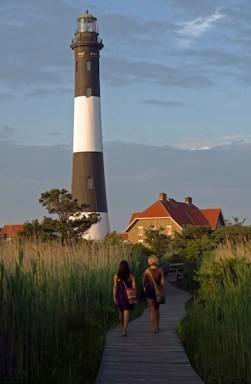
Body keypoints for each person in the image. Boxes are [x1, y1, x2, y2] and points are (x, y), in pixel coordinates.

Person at [113, 260, 136, 337]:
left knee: (121, 314)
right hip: (128, 296)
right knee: (126, 314)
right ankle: (124, 330)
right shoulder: (131, 275)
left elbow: (115, 287)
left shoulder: (117, 275)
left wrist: (114, 297)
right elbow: (134, 288)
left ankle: (123, 327)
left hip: (119, 295)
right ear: (127, 267)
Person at [142, 254, 165, 334]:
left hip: (149, 290)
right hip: (157, 291)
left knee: (151, 310)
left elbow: (143, 282)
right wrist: (161, 290)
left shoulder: (147, 271)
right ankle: (157, 326)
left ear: (149, 261)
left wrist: (145, 288)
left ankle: (153, 328)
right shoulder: (160, 271)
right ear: (156, 261)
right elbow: (162, 283)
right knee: (157, 309)